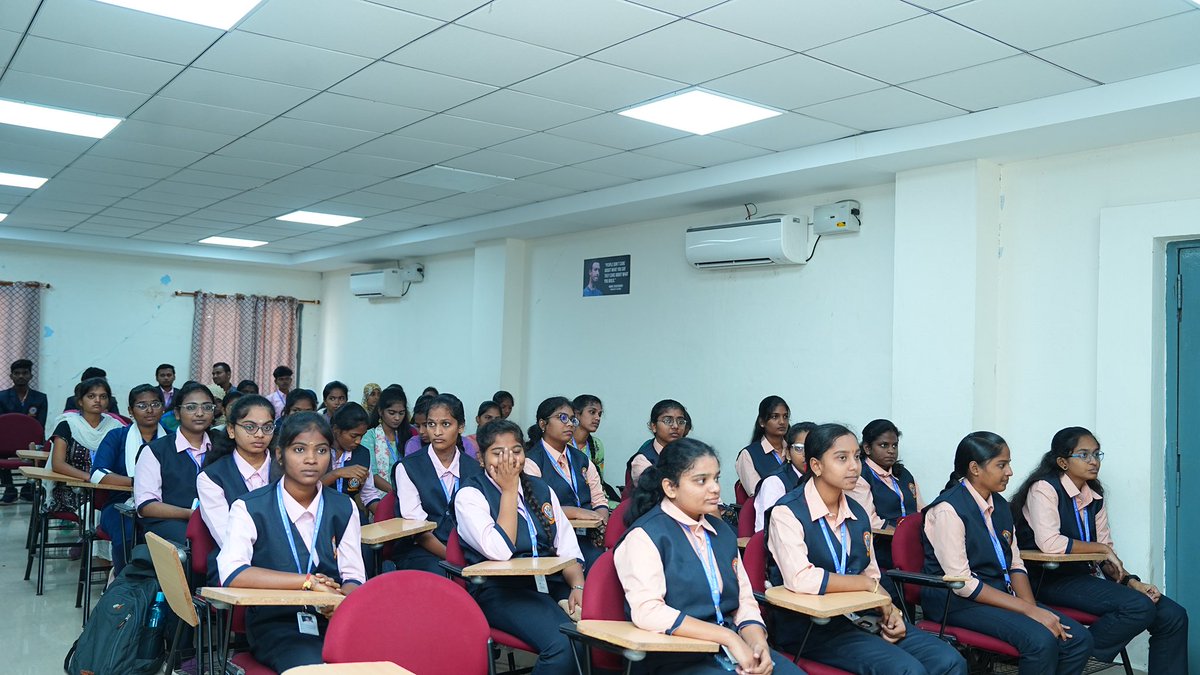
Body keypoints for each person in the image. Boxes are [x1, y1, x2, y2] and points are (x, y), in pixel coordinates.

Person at [765, 424, 966, 674]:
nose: (854, 466)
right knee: (907, 670)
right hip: (814, 627)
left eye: (857, 457)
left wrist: (890, 609)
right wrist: (865, 586)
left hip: (862, 616)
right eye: (842, 458)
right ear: (816, 466)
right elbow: (802, 579)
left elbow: (871, 575)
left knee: (949, 660)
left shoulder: (857, 513)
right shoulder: (787, 513)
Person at [615, 437, 804, 675]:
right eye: (701, 481)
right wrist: (727, 637)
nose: (715, 488)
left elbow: (744, 601)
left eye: (716, 478)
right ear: (670, 487)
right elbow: (648, 612)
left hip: (729, 647)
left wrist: (758, 642)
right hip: (676, 655)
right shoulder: (645, 536)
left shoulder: (722, 532)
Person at [1012, 426, 1188, 673]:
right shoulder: (1044, 488)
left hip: (1084, 579)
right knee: (1138, 607)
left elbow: (1107, 557)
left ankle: (1074, 656)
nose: (1093, 461)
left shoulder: (1094, 495)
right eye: (1083, 455)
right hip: (1048, 579)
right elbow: (1050, 543)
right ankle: (1072, 658)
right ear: (1063, 462)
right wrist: (1101, 548)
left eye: (1097, 454)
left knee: (1173, 614)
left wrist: (1131, 582)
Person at [922, 431, 1092, 674]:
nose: (1010, 472)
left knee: (1078, 640)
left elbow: (1015, 564)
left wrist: (1032, 607)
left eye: (1008, 464)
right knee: (1040, 641)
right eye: (1002, 465)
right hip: (957, 602)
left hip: (999, 594)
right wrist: (1028, 611)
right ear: (975, 468)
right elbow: (963, 583)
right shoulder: (948, 510)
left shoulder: (1001, 505)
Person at [216, 412, 365, 673]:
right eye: (299, 449)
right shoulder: (250, 507)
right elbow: (233, 573)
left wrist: (342, 604)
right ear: (279, 455)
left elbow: (353, 576)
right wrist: (310, 583)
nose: (311, 459)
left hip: (333, 619)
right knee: (315, 666)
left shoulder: (344, 507)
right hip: (275, 621)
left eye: (321, 450)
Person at [455, 419, 585, 675]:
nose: (508, 460)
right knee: (564, 644)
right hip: (501, 590)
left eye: (516, 451)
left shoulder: (541, 489)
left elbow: (568, 549)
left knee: (597, 635)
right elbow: (500, 550)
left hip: (550, 583)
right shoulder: (470, 494)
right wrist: (508, 489)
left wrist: (577, 585)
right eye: (497, 453)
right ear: (481, 459)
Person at [391, 394, 483, 574]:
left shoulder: (474, 470)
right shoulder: (408, 468)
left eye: (446, 424)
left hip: (466, 548)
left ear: (461, 427)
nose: (437, 432)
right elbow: (418, 531)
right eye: (431, 424)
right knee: (442, 576)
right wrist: (456, 560)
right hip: (421, 549)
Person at [198, 395, 279, 585]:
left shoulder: (287, 469)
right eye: (250, 427)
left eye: (267, 427)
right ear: (231, 430)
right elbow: (227, 539)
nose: (259, 434)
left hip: (290, 561)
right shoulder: (211, 477)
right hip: (235, 565)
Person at [524, 396, 609, 570]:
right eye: (562, 418)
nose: (570, 424)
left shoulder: (582, 459)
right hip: (552, 540)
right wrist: (578, 513)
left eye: (572, 419)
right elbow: (536, 508)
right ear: (543, 424)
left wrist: (601, 519)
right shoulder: (532, 462)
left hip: (586, 537)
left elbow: (599, 500)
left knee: (605, 565)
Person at [91, 384, 167, 573]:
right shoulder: (117, 436)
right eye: (142, 405)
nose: (149, 410)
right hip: (120, 505)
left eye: (155, 404)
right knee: (127, 533)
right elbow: (98, 474)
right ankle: (124, 584)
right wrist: (139, 483)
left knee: (171, 537)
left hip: (163, 506)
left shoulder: (173, 439)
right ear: (130, 411)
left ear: (163, 407)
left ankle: (162, 590)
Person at [135, 381, 217, 544]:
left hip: (218, 519)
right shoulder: (155, 450)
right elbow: (146, 505)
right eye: (191, 407)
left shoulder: (223, 446)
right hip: (171, 522)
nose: (200, 413)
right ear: (177, 413)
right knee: (201, 544)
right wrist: (190, 514)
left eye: (207, 407)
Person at [848, 419, 925, 569]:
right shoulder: (860, 475)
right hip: (881, 551)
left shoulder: (904, 474)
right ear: (867, 448)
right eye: (884, 445)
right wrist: (904, 534)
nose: (891, 450)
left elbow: (920, 509)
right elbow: (869, 520)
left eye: (894, 445)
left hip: (912, 545)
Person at [47, 378, 126, 517]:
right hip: (74, 487)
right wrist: (91, 478)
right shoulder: (68, 425)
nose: (97, 400)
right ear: (80, 401)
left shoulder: (116, 426)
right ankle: (90, 537)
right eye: (91, 396)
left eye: (103, 396)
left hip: (109, 487)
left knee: (124, 507)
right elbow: (57, 464)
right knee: (92, 512)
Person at [322, 402, 382, 521]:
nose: (358, 441)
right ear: (336, 430)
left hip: (350, 514)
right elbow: (308, 489)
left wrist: (386, 517)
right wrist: (337, 473)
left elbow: (368, 494)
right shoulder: (320, 451)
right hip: (322, 514)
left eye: (362, 436)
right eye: (354, 436)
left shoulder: (363, 454)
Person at [753, 421, 815, 532]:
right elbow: (766, 529)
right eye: (799, 448)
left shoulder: (823, 479)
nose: (806, 454)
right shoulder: (774, 483)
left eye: (812, 448)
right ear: (788, 453)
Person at [0, 358, 48, 502]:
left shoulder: (40, 398)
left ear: (30, 376)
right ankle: (9, 488)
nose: (21, 376)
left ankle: (29, 487)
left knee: (43, 448)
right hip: (5, 442)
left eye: (25, 373)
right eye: (17, 373)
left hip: (30, 443)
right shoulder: (1, 397)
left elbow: (40, 425)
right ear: (11, 376)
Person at [626, 399, 689, 491]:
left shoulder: (692, 454)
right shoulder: (642, 461)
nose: (675, 426)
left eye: (681, 421)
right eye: (668, 421)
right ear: (654, 426)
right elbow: (660, 494)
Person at [735, 395, 791, 498]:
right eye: (775, 417)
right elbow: (757, 494)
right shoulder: (748, 455)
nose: (782, 422)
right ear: (762, 422)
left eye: (785, 416)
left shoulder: (794, 450)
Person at [362, 386, 411, 493]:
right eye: (392, 413)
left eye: (401, 413)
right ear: (380, 411)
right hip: (379, 497)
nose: (397, 418)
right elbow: (371, 474)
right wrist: (397, 493)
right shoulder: (370, 437)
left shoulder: (407, 436)